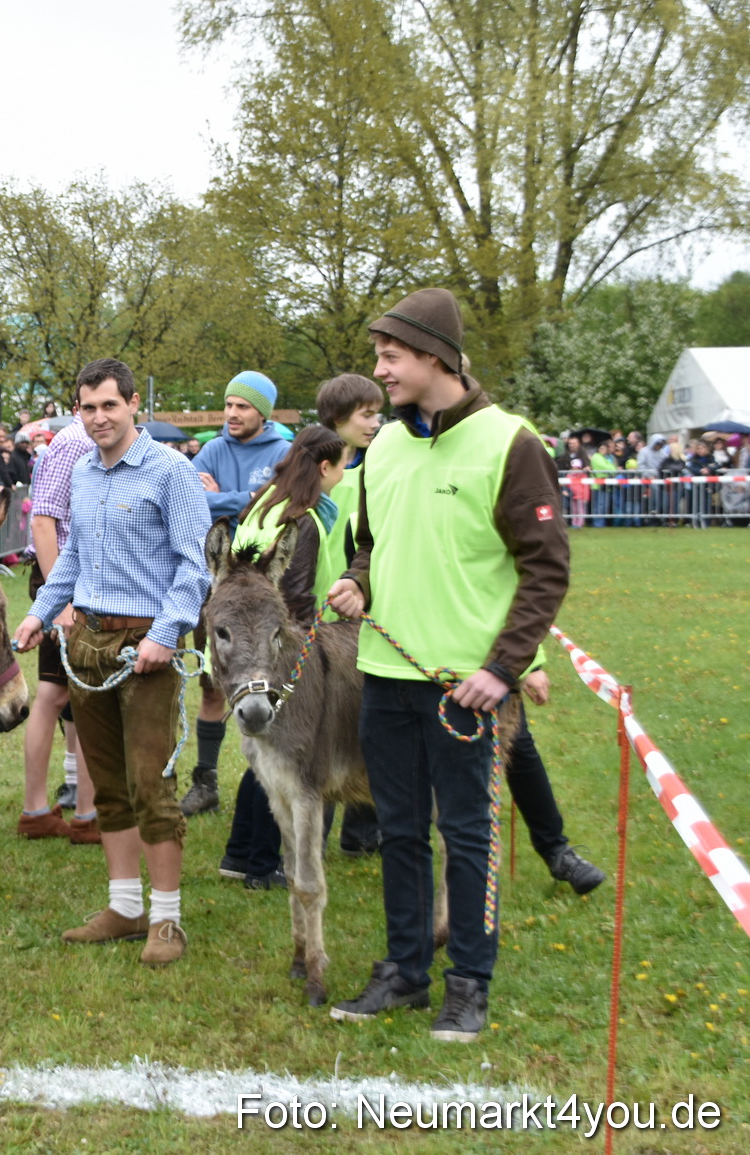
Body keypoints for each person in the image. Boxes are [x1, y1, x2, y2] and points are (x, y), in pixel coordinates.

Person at [326, 287, 568, 1044]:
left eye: (391, 357)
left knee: (467, 837)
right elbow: (371, 541)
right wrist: (357, 581)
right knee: (398, 832)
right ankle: (404, 970)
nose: (380, 371)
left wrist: (503, 667)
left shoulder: (510, 442)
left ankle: (469, 984)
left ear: (436, 357)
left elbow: (546, 568)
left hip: (466, 689)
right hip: (383, 676)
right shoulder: (383, 448)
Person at [14, 358, 210, 967]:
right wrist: (41, 613)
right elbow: (72, 557)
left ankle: (167, 920)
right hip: (87, 640)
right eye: (88, 407)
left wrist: (166, 633)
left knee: (152, 785)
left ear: (132, 405)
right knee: (108, 785)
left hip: (145, 648)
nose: (99, 418)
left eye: (109, 405)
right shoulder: (81, 471)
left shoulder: (171, 471)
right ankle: (125, 908)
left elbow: (194, 567)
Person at [218, 425, 348, 889]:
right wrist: (307, 648)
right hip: (286, 646)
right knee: (290, 758)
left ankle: (240, 854)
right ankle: (265, 861)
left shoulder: (263, 503)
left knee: (264, 754)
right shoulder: (304, 518)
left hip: (248, 642)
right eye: (343, 465)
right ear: (325, 467)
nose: (345, 474)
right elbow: (294, 592)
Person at [181, 371, 291, 818]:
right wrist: (243, 499)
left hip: (264, 593)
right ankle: (205, 780)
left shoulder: (283, 452)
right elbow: (191, 500)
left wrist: (223, 497)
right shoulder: (212, 449)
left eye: (242, 406)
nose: (231, 413)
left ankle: (273, 779)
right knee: (212, 684)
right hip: (218, 592)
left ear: (262, 411)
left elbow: (275, 503)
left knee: (270, 683)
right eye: (228, 404)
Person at [312, 373, 385, 856]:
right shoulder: (328, 479)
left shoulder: (379, 470)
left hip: (369, 618)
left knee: (367, 719)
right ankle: (313, 835)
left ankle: (363, 831)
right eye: (367, 414)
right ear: (339, 419)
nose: (376, 424)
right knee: (325, 726)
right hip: (328, 620)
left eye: (379, 414)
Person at [17, 414, 99, 843]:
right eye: (92, 404)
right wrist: (59, 600)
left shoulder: (84, 439)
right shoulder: (73, 442)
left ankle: (51, 810)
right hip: (66, 581)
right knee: (70, 696)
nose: (100, 414)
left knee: (61, 694)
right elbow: (43, 520)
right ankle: (84, 814)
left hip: (75, 580)